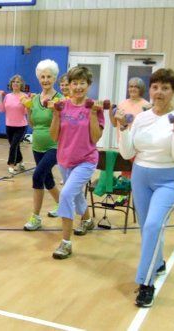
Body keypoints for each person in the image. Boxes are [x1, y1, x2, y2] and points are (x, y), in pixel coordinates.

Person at [115, 68, 174, 307]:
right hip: (141, 176)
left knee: (152, 225)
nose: (159, 93)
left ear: (173, 91)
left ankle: (146, 283)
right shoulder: (142, 117)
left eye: (165, 88)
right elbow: (128, 153)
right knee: (147, 229)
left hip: (170, 179)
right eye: (156, 87)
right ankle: (157, 263)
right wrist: (124, 128)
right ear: (150, 90)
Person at [49, 66, 105, 259]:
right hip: (64, 159)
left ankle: (65, 243)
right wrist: (56, 115)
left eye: (82, 83)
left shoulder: (94, 107)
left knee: (65, 195)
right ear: (69, 85)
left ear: (89, 85)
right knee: (77, 196)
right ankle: (87, 220)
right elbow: (54, 136)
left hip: (86, 160)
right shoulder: (62, 106)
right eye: (75, 83)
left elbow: (95, 138)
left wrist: (91, 113)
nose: (78, 86)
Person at [20, 59, 62, 231]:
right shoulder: (35, 98)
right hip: (37, 145)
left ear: (54, 78)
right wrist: (28, 109)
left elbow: (63, 124)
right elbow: (32, 123)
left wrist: (56, 111)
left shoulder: (60, 100)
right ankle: (64, 205)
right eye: (42, 77)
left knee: (37, 176)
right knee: (47, 179)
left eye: (49, 77)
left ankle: (35, 217)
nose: (45, 80)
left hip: (55, 145)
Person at [0, 74, 28, 176]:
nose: (15, 83)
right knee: (15, 146)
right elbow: (1, 110)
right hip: (9, 126)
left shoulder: (24, 96)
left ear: (21, 84)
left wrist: (27, 103)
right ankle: (21, 160)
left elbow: (26, 112)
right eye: (14, 81)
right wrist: (0, 96)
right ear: (11, 84)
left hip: (21, 126)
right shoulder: (8, 96)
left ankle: (11, 165)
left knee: (14, 145)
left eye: (18, 82)